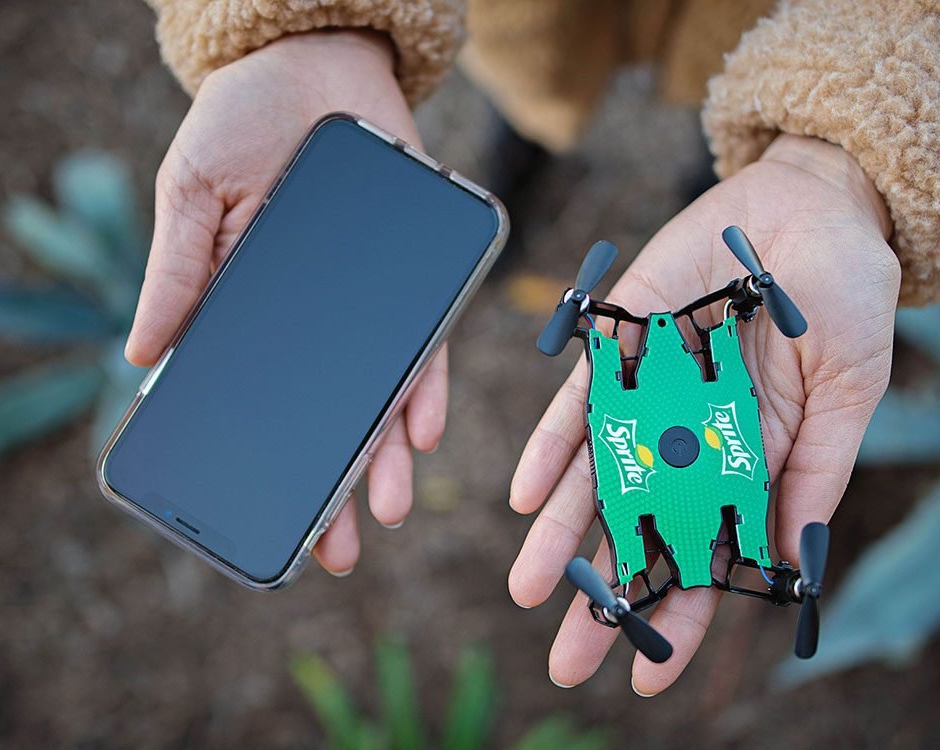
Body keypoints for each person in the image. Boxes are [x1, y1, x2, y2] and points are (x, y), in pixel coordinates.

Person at [127, 0, 939, 696]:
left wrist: (840, 144)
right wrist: (306, 24)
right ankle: (525, 149)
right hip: (527, 26)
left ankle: (698, 176)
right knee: (530, 95)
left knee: (702, 112)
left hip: (753, 22)